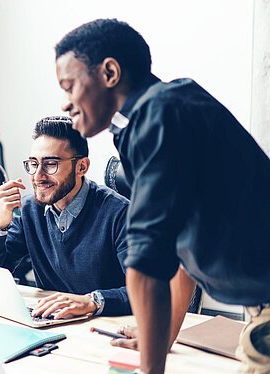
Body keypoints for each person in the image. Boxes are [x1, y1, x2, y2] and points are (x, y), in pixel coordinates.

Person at [55, 18, 270, 373]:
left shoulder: (159, 117)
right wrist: (162, 338)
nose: (66, 104)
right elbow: (176, 249)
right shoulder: (159, 111)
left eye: (70, 86)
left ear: (110, 72)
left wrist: (149, 368)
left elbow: (146, 265)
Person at [0, 116, 131, 318]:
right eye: (33, 164)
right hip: (50, 322)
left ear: (81, 167)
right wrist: (0, 225)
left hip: (106, 327)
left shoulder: (120, 214)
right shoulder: (29, 210)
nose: (38, 176)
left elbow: (147, 291)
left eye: (50, 164)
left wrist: (92, 301)